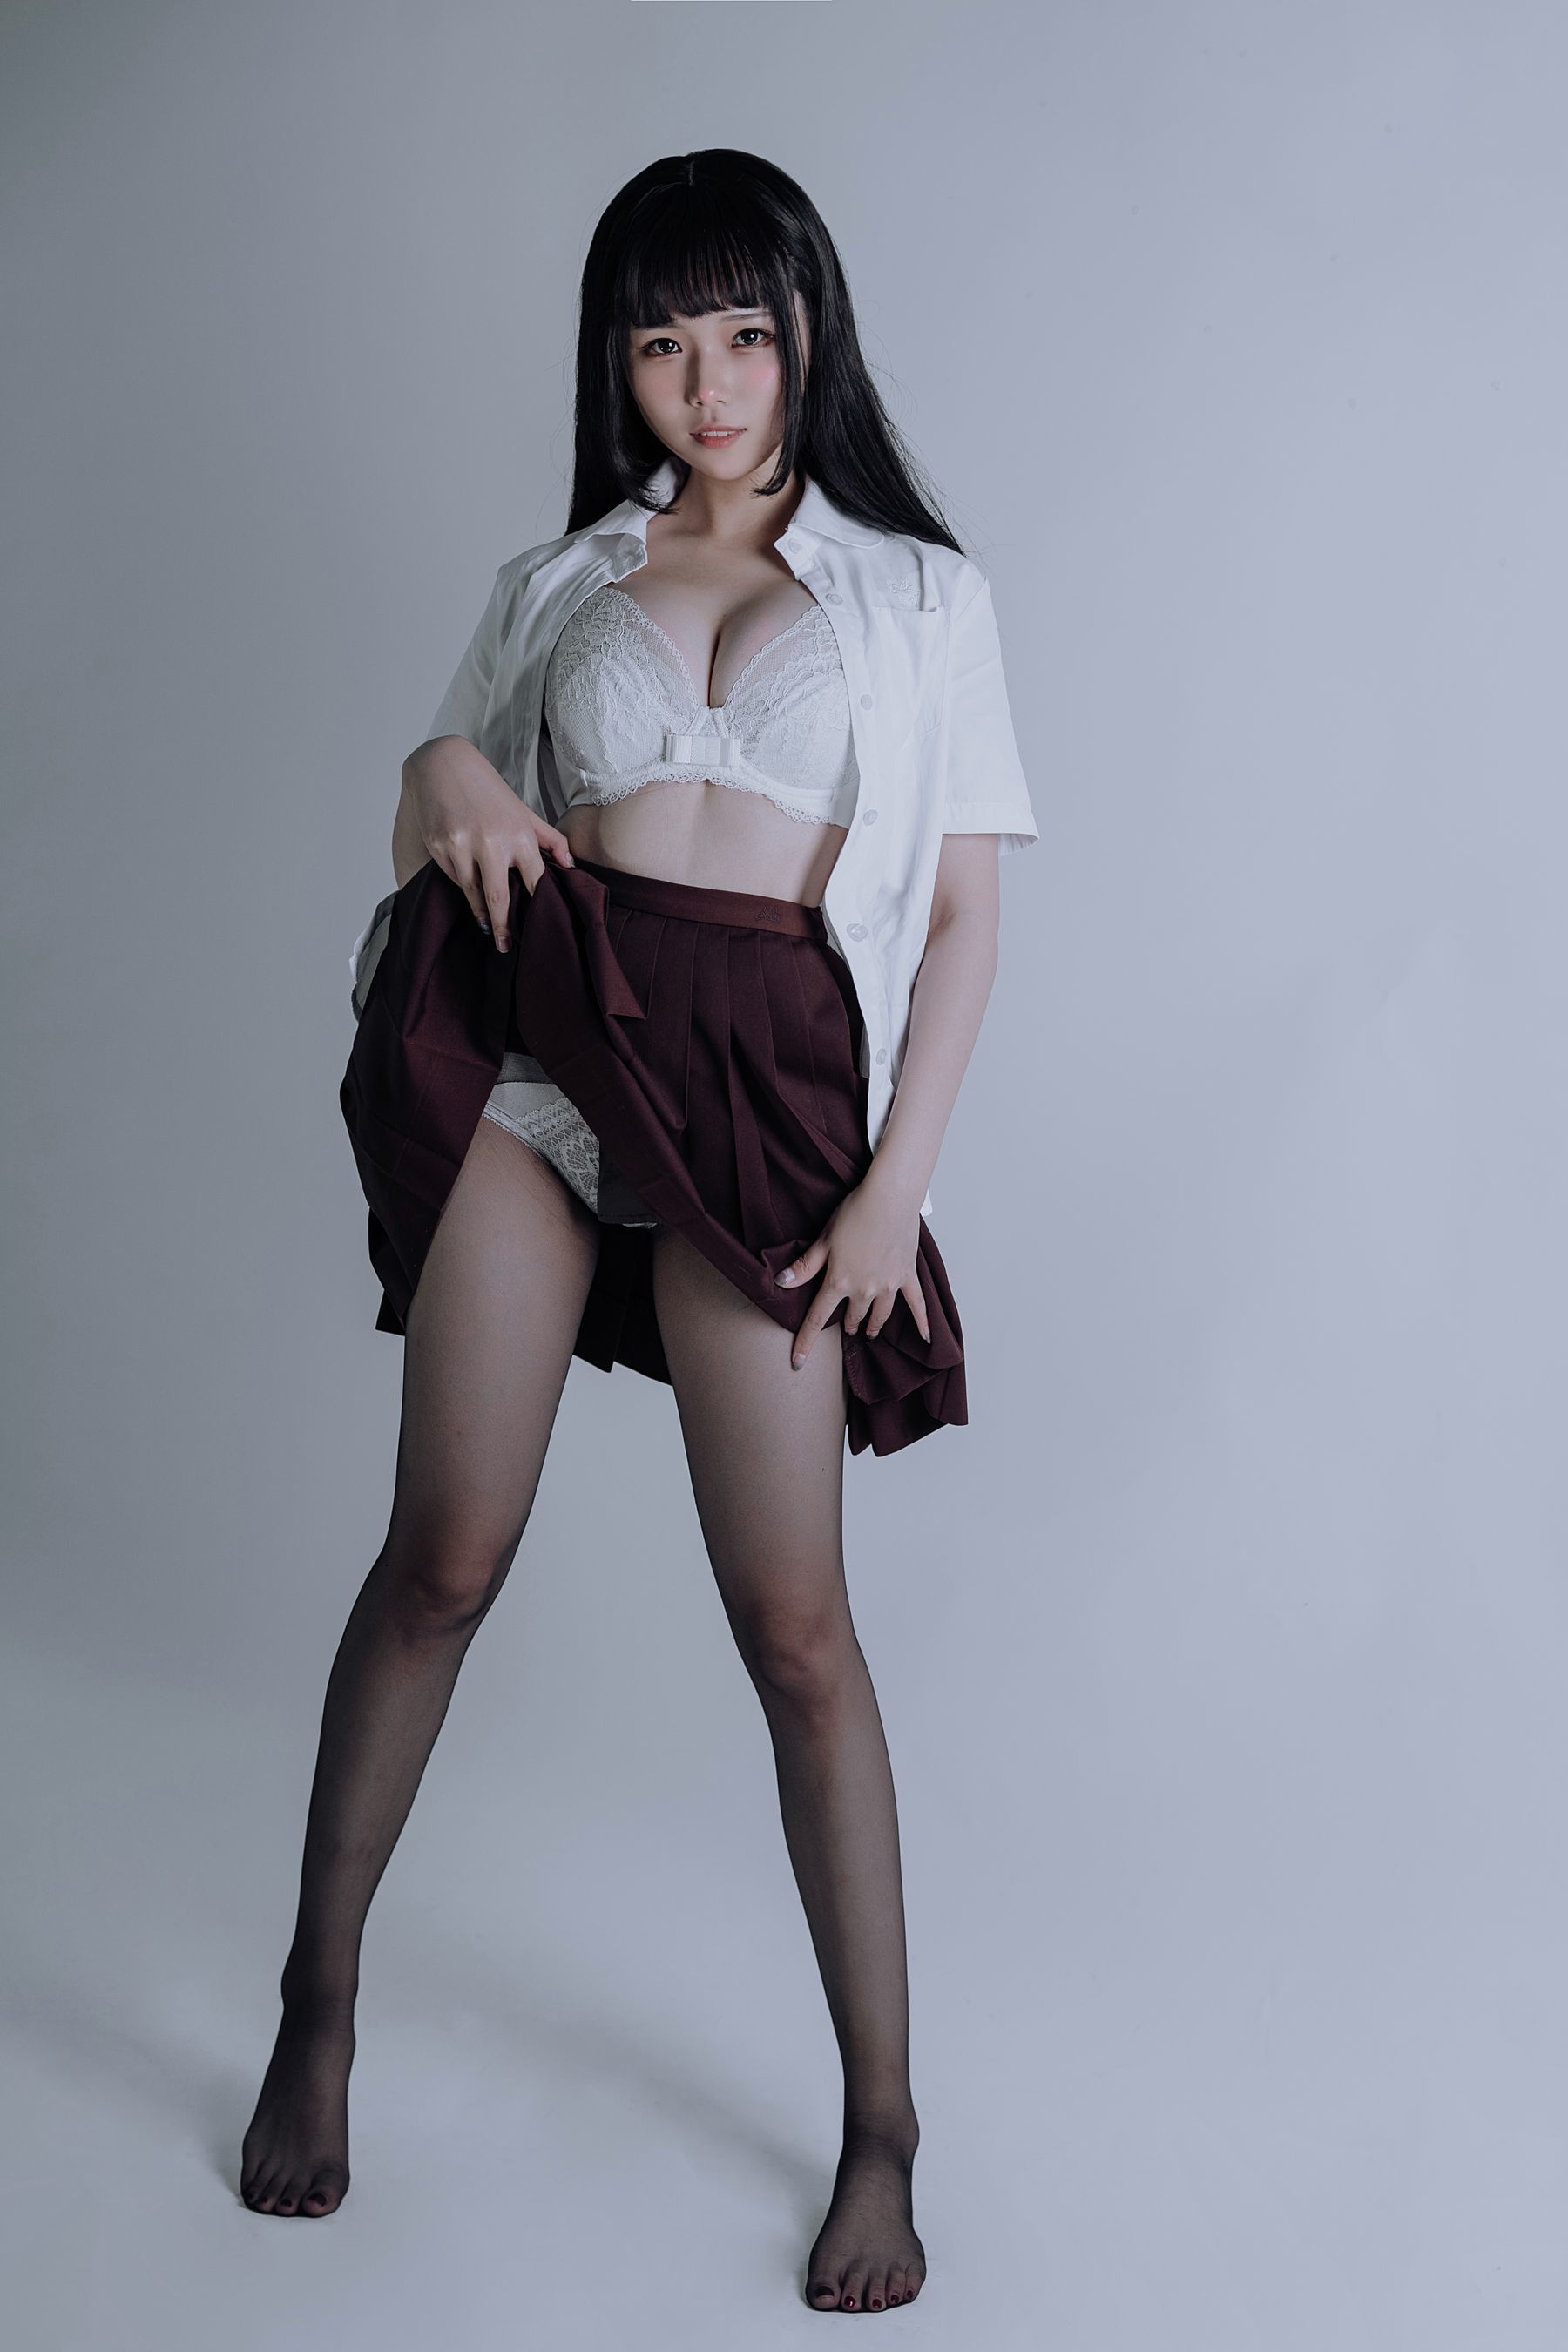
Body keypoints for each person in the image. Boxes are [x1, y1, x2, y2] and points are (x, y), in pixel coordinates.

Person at [241, 149, 1037, 2317]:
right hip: (546, 1062)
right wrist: (442, 767)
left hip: (768, 1112)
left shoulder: (917, 597)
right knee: (444, 1555)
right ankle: (317, 2005)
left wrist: (895, 1189)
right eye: (664, 340)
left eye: (745, 334)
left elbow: (964, 920)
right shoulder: (559, 575)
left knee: (797, 1634)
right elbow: (437, 810)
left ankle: (881, 2128)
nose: (709, 382)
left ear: (807, 334)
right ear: (621, 360)